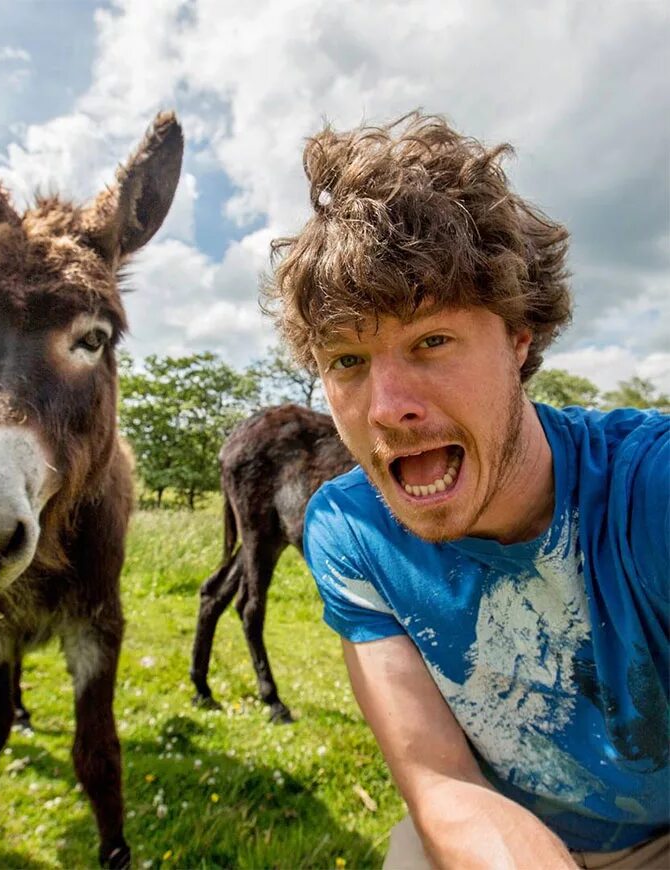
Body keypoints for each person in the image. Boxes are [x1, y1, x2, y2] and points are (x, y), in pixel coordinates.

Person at [265, 113, 669, 869]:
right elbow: (441, 780)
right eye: (349, 361)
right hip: (495, 824)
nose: (387, 407)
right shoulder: (349, 533)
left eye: (431, 342)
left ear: (519, 340)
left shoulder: (650, 493)